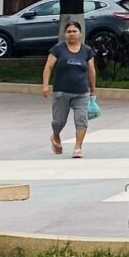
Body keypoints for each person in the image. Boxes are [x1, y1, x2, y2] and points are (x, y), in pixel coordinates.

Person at [41, 20, 97, 157]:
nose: (72, 34)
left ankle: (78, 147)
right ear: (65, 34)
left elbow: (91, 71)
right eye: (69, 31)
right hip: (61, 92)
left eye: (74, 31)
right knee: (59, 121)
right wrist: (45, 85)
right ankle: (55, 136)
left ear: (80, 33)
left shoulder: (87, 51)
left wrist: (93, 91)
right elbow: (48, 67)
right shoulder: (58, 49)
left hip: (81, 93)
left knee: (81, 120)